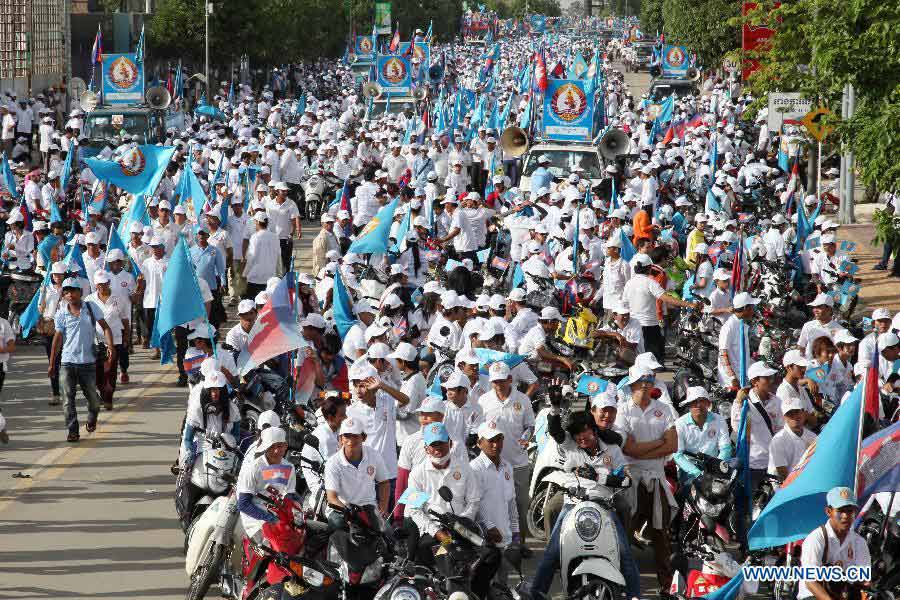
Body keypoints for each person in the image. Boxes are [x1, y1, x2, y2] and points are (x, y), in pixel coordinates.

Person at [530, 411, 640, 600]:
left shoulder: (612, 450)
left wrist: (599, 477)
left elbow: (628, 481)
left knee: (625, 554)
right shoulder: (570, 445)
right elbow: (556, 431)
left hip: (604, 506)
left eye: (585, 431)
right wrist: (555, 409)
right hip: (572, 506)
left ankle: (634, 596)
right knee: (552, 552)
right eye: (576, 434)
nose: (581, 437)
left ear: (594, 430)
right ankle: (534, 594)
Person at [404, 422, 495, 599]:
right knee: (448, 558)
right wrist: (438, 532)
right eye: (433, 445)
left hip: (463, 529)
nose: (438, 449)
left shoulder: (464, 468)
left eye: (442, 443)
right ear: (426, 448)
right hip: (435, 533)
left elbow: (474, 501)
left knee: (492, 555)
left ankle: (476, 593)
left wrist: (462, 522)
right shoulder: (417, 473)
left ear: (450, 444)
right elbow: (415, 511)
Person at [616, 364, 677, 590]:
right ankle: (624, 584)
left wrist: (642, 449)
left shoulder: (663, 408)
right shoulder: (622, 410)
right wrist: (659, 443)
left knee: (661, 535)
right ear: (632, 384)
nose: (646, 384)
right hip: (631, 480)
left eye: (650, 380)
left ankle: (667, 585)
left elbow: (674, 444)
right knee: (625, 534)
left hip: (656, 479)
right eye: (642, 380)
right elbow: (628, 449)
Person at [48, 277, 116, 442]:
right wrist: (51, 364)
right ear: (63, 294)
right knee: (67, 399)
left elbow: (105, 327)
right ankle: (73, 431)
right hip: (67, 362)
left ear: (81, 292)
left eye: (73, 291)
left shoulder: (91, 308)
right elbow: (57, 339)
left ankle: (92, 419)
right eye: (67, 291)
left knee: (93, 400)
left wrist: (111, 346)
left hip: (88, 362)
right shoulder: (61, 313)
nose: (70, 294)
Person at [796, 487, 871, 600]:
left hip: (843, 593)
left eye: (850, 510)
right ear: (828, 511)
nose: (845, 516)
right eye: (840, 510)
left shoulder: (859, 542)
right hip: (814, 595)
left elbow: (864, 579)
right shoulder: (816, 539)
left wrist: (867, 586)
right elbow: (810, 582)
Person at [323, 415, 390, 531]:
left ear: (363, 437)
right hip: (341, 509)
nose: (350, 440)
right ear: (340, 439)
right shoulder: (332, 463)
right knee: (339, 532)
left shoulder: (374, 455)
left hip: (368, 507)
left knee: (388, 536)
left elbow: (384, 482)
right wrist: (349, 514)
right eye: (346, 436)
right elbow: (332, 498)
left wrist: (383, 507)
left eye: (355, 436)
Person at [236, 426, 297, 542]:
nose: (276, 451)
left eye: (279, 446)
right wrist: (270, 519)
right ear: (265, 448)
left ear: (285, 446)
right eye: (271, 447)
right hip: (256, 521)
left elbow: (289, 496)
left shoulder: (289, 467)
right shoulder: (254, 468)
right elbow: (243, 504)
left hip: (279, 518)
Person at [768, 394, 817, 480]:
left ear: (803, 413)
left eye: (797, 412)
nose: (795, 417)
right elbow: (783, 474)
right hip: (785, 485)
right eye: (790, 414)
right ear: (784, 417)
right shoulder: (778, 441)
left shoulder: (812, 436)